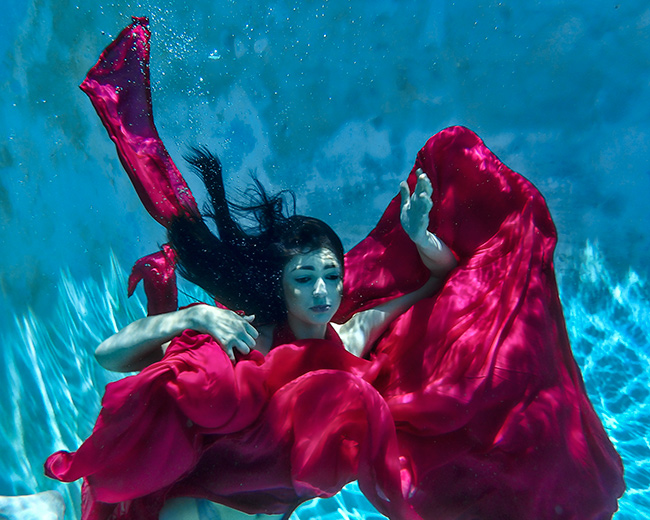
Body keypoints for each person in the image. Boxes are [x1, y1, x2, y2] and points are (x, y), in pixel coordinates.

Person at [46, 17, 625, 520]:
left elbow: (438, 285)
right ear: (281, 286)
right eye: (305, 280)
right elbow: (110, 358)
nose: (323, 293)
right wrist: (192, 318)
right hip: (194, 498)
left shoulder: (352, 334)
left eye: (332, 277)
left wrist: (421, 236)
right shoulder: (243, 336)